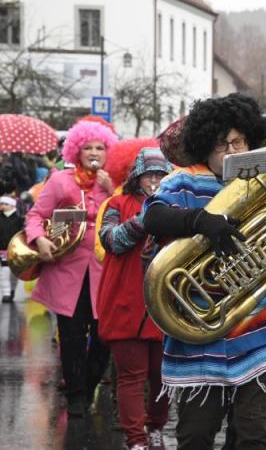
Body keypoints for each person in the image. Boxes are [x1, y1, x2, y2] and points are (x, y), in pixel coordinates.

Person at [141, 94, 266, 450]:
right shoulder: (184, 182)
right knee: (195, 437)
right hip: (198, 340)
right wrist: (199, 221)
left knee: (256, 437)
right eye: (222, 145)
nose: (232, 150)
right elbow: (153, 215)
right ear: (205, 149)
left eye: (239, 141)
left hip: (260, 334)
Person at [26, 120, 117, 417]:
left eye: (100, 147)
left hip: (105, 273)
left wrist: (111, 189)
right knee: (71, 337)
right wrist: (39, 239)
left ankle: (88, 385)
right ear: (76, 150)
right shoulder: (60, 180)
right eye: (88, 147)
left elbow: (133, 214)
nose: (93, 152)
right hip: (67, 273)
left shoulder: (116, 182)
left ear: (108, 151)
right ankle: (77, 396)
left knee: (104, 337)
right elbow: (36, 215)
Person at [96, 147, 172, 450]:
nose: (154, 180)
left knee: (162, 376)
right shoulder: (116, 203)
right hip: (125, 301)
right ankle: (136, 439)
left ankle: (155, 428)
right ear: (137, 177)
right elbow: (111, 240)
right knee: (131, 376)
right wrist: (145, 219)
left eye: (160, 175)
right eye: (149, 175)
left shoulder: (175, 205)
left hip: (162, 304)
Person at [0, 195, 23, 303]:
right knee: (4, 270)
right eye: (1, 204)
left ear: (12, 205)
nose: (3, 206)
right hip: (3, 249)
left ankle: (12, 290)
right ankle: (6, 293)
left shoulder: (20, 219)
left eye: (6, 204)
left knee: (14, 272)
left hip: (16, 249)